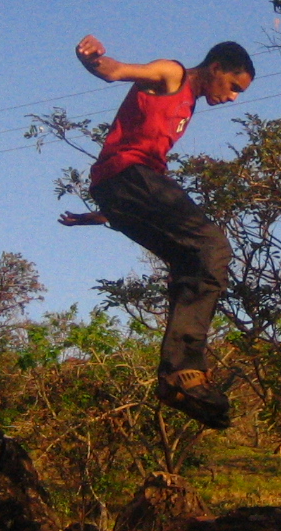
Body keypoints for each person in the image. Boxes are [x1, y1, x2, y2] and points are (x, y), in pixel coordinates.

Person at [59, 35, 255, 428]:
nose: (233, 97)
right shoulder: (172, 75)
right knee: (213, 246)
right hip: (130, 176)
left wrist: (105, 214)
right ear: (216, 68)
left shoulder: (188, 104)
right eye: (233, 86)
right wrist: (91, 58)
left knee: (190, 259)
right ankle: (185, 367)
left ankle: (176, 378)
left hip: (121, 189)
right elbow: (115, 71)